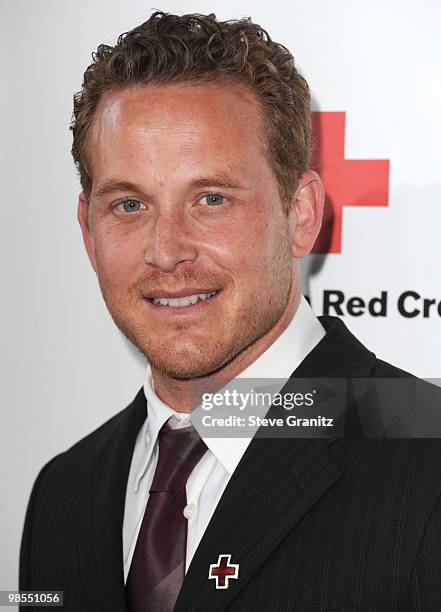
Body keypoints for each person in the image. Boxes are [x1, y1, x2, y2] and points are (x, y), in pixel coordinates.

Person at [19, 10, 441, 612]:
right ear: (88, 232)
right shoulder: (61, 493)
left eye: (211, 198)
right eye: (130, 204)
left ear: (300, 215)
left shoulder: (427, 465)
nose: (166, 251)